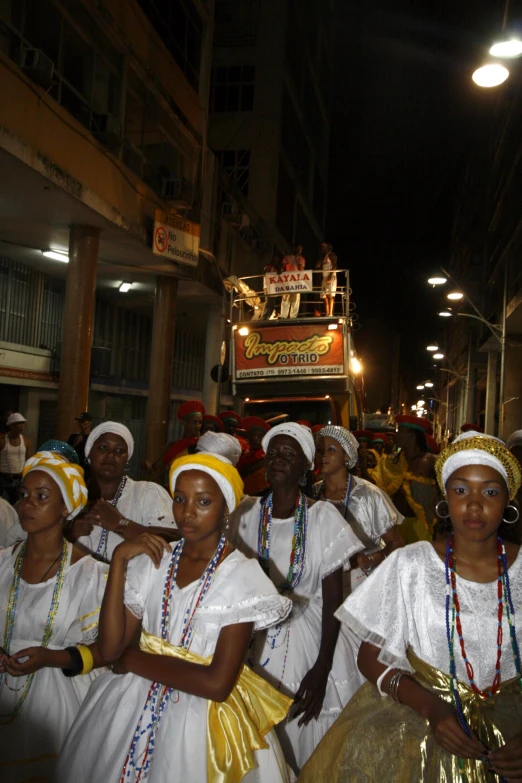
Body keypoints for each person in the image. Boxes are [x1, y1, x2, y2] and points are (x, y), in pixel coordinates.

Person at [57, 453, 295, 783]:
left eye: (204, 501)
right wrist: (120, 560)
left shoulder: (242, 577)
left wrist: (132, 659)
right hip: (129, 705)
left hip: (201, 722)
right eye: (180, 499)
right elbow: (110, 650)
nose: (187, 512)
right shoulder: (155, 560)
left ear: (226, 507)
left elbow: (216, 684)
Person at [300, 431, 522, 783]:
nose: (475, 504)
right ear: (444, 498)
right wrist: (431, 707)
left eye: (490, 491)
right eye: (461, 490)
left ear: (508, 500)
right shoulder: (410, 564)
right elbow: (369, 658)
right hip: (424, 732)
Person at [229, 422, 364, 772]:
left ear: (306, 466)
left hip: (310, 636)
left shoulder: (322, 518)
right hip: (252, 637)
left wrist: (321, 669)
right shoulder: (245, 513)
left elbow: (334, 601)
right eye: (273, 453)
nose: (278, 460)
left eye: (289, 455)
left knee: (306, 741)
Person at [0, 452, 108, 781]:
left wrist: (49, 657)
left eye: (42, 496)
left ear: (66, 508)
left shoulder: (90, 575)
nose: (27, 503)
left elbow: (106, 651)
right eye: (24, 495)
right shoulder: (3, 562)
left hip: (59, 702)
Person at [315, 426, 404, 594]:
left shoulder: (368, 495)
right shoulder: (312, 494)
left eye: (331, 450)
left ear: (347, 455)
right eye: (320, 451)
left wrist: (370, 559)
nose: (323, 456)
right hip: (322, 586)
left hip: (365, 587)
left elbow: (396, 543)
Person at [70, 422, 177, 562]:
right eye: (103, 448)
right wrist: (71, 535)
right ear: (89, 453)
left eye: (120, 451)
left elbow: (175, 542)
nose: (111, 455)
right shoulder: (72, 498)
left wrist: (120, 524)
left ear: (127, 459)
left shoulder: (146, 493)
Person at [371, 414, 437, 544]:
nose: (397, 435)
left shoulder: (428, 461)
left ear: (412, 435)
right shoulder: (394, 462)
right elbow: (377, 486)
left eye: (401, 431)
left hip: (423, 528)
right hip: (399, 526)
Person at [0, 413, 32, 504]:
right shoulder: (2, 441)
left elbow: (28, 460)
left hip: (19, 479)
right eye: (19, 423)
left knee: (17, 505)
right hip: (4, 479)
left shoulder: (26, 441)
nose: (22, 426)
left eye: (23, 423)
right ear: (11, 426)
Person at [238, 416, 271, 495]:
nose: (256, 438)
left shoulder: (268, 460)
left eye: (259, 436)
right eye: (253, 435)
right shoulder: (243, 457)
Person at [280, 244, 305, 319]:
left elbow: (301, 270)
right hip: (287, 281)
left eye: (301, 249)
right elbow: (282, 267)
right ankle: (283, 316)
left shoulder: (302, 259)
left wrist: (300, 262)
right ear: (294, 248)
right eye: (298, 248)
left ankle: (293, 316)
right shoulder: (287, 257)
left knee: (295, 299)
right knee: (285, 298)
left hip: (297, 281)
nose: (299, 250)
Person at [316, 243, 337, 317]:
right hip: (324, 278)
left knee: (330, 295)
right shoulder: (324, 257)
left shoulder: (331, 254)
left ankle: (330, 313)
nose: (321, 249)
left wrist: (330, 276)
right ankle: (327, 313)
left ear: (326, 248)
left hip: (330, 277)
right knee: (324, 296)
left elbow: (335, 265)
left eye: (323, 247)